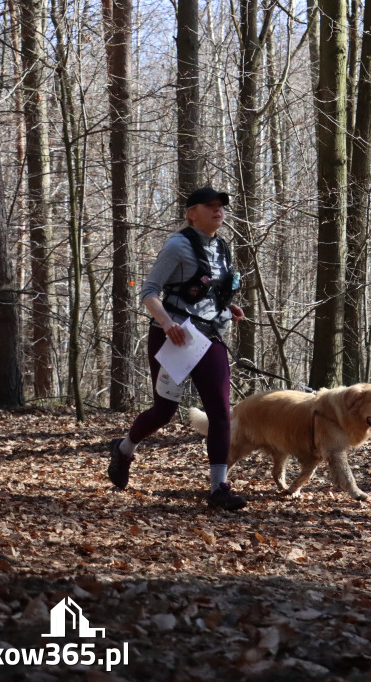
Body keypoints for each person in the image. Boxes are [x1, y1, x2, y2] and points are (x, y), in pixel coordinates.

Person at [107, 186, 247, 511]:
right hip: (173, 338)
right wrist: (168, 323)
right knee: (164, 411)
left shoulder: (222, 247)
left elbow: (210, 291)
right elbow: (149, 292)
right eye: (210, 206)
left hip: (209, 338)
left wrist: (228, 307)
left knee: (220, 411)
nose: (218, 211)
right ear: (192, 214)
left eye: (221, 206)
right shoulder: (177, 246)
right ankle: (124, 450)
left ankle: (219, 488)